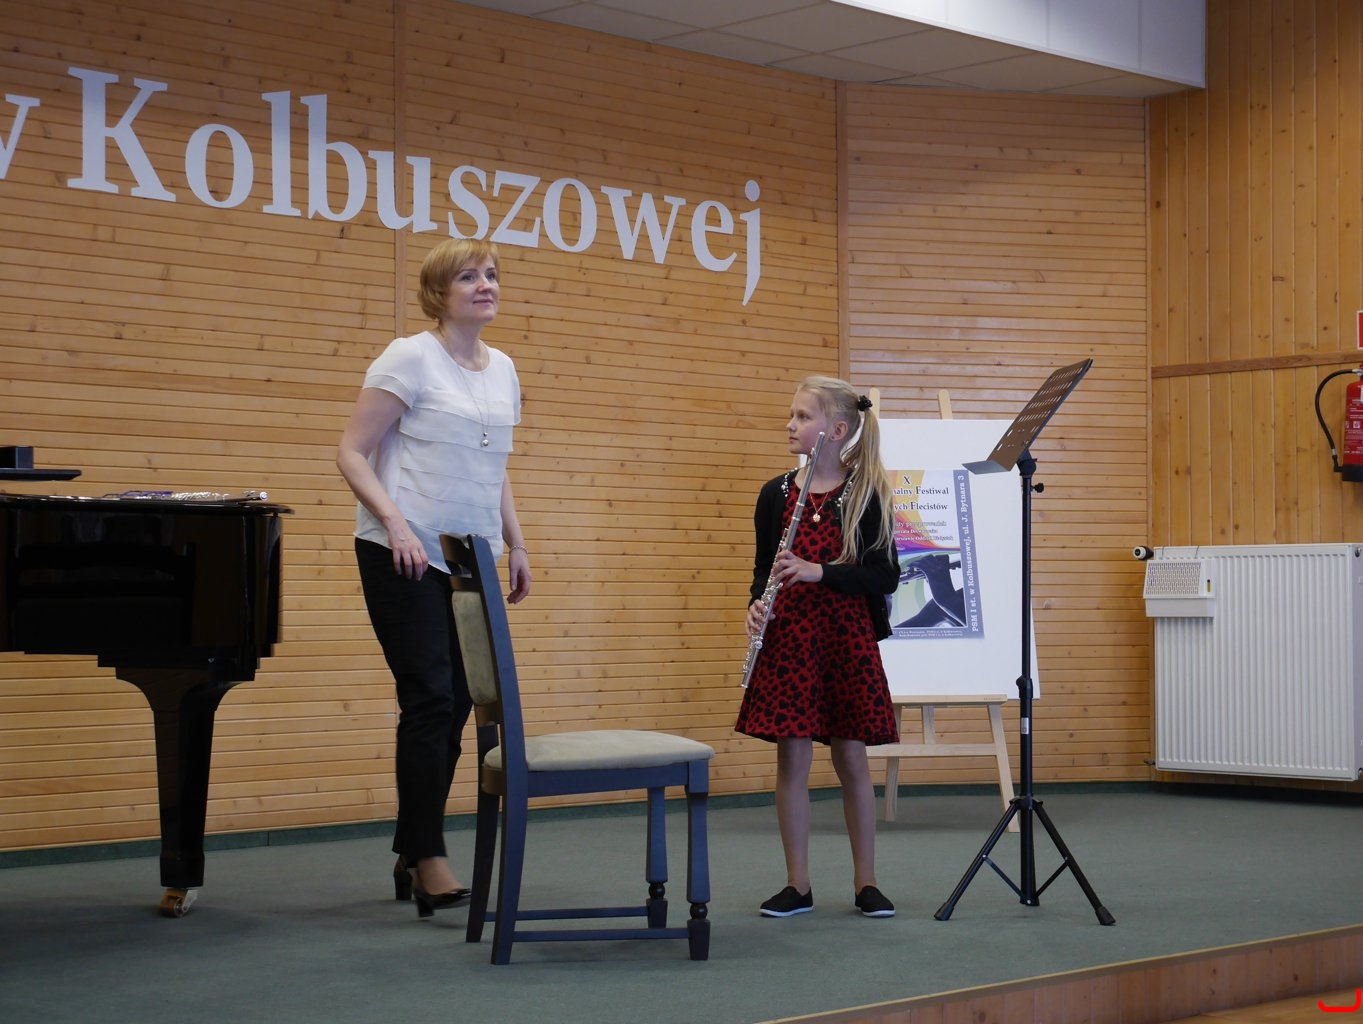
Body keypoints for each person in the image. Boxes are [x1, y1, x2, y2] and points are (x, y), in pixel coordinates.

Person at [337, 237, 531, 918]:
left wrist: (516, 541)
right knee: (429, 696)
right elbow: (351, 451)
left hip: (470, 556)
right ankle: (428, 857)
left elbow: (493, 464)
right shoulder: (408, 357)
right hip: (403, 552)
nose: (485, 285)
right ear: (438, 293)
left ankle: (410, 847)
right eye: (469, 276)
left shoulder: (503, 369)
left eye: (491, 275)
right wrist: (392, 523)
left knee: (456, 705)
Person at [736, 375, 900, 919]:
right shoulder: (775, 494)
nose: (791, 425)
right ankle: (798, 884)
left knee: (851, 758)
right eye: (792, 415)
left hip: (845, 640)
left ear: (838, 430)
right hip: (790, 640)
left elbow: (885, 576)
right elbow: (763, 569)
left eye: (803, 417)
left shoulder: (866, 494)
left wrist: (820, 571)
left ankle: (866, 883)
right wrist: (755, 604)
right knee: (792, 759)